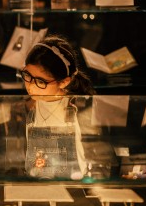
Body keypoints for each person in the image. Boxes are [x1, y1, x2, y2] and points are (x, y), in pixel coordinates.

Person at [20, 34, 96, 180]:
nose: (30, 86)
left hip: (73, 187)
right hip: (36, 184)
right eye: (27, 76)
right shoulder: (30, 106)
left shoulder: (77, 108)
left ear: (64, 82)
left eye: (40, 82)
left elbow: (95, 155)